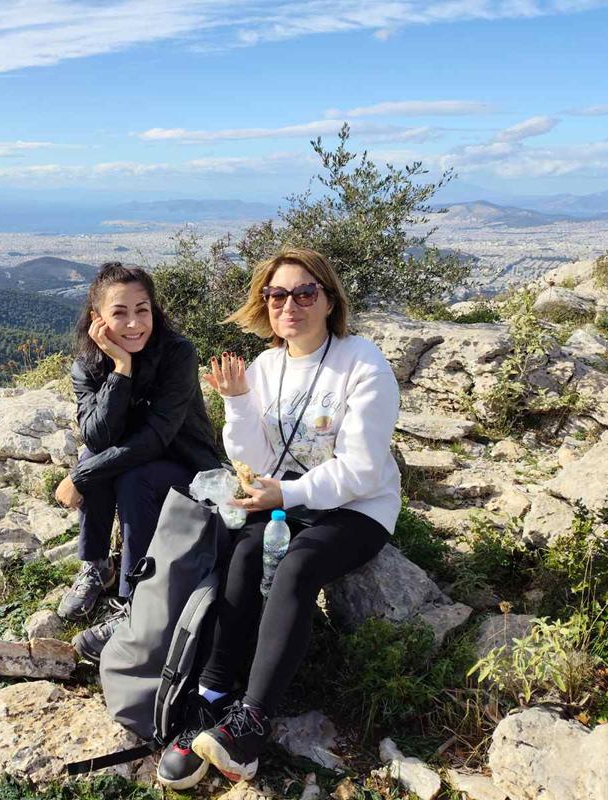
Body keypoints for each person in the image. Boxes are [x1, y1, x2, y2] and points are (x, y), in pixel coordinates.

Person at [156, 247, 401, 789]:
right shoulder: (266, 367)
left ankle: (251, 725)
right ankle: (212, 694)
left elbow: (362, 469)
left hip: (358, 508)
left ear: (329, 300)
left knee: (296, 567)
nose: (290, 305)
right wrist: (239, 402)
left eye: (305, 293)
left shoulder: (363, 363)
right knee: (243, 555)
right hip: (287, 500)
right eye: (277, 294)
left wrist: (286, 494)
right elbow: (256, 461)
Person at [55, 261, 221, 663]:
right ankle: (97, 565)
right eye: (120, 312)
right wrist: (121, 369)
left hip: (185, 465)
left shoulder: (178, 353)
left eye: (142, 310)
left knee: (127, 476)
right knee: (96, 456)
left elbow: (158, 437)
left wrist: (80, 476)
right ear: (98, 319)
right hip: (136, 460)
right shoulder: (87, 365)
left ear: (154, 311)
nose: (133, 324)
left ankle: (135, 601)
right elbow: (97, 436)